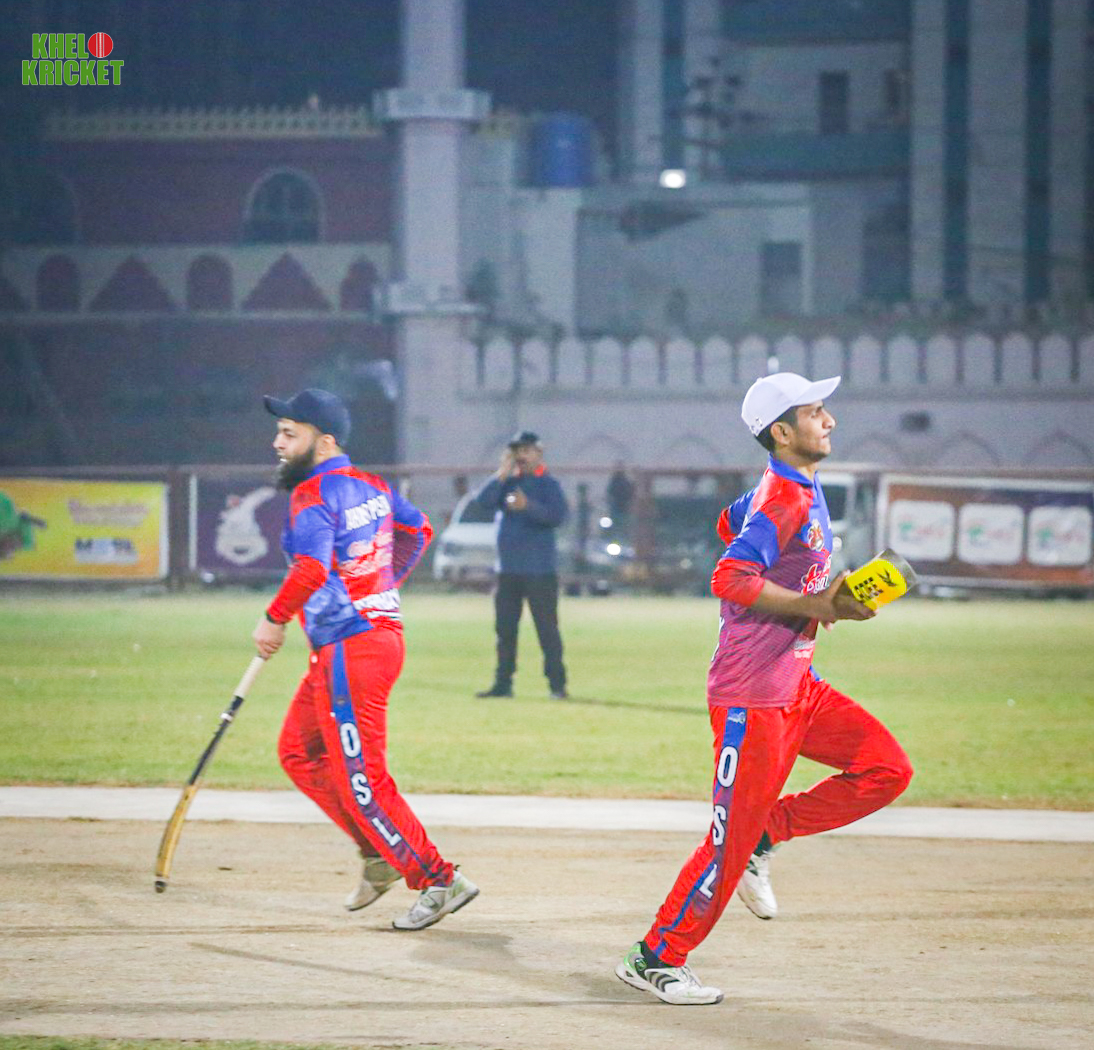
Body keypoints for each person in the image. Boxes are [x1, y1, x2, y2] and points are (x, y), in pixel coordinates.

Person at [615, 372, 913, 1006]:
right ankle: (656, 957)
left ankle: (767, 832)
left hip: (798, 683)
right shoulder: (786, 497)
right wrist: (817, 604)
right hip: (752, 698)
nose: (829, 421)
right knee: (726, 846)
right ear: (782, 431)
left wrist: (818, 590)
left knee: (886, 769)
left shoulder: (793, 487)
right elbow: (729, 576)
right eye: (815, 412)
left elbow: (730, 523)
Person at [251, 388, 478, 931]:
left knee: (363, 780)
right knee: (299, 752)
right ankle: (379, 853)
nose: (278, 443)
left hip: (352, 648)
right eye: (279, 431)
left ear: (324, 441)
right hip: (364, 642)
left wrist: (274, 619)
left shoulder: (312, 494)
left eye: (289, 433)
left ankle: (438, 878)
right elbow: (418, 529)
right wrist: (381, 587)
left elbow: (310, 569)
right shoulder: (372, 485)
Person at [473, 430, 570, 699]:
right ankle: (503, 683)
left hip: (540, 571)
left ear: (539, 453)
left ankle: (557, 685)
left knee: (547, 630)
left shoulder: (548, 484)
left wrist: (528, 506)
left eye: (526, 450)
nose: (521, 456)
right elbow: (482, 502)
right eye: (517, 451)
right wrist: (501, 474)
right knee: (505, 631)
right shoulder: (507, 483)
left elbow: (557, 516)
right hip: (508, 571)